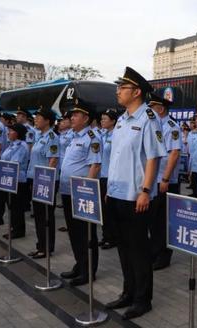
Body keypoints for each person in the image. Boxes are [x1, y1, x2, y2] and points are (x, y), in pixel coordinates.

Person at [103, 67, 166, 320]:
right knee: (123, 248)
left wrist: (146, 190)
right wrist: (109, 189)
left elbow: (153, 157)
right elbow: (117, 159)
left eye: (123, 88)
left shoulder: (148, 118)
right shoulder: (121, 119)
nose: (118, 91)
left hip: (136, 196)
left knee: (139, 250)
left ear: (136, 91)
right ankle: (128, 292)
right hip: (117, 194)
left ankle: (143, 299)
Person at [59, 98, 102, 287]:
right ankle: (79, 264)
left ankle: (88, 270)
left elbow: (95, 165)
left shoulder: (92, 138)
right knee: (74, 232)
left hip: (82, 193)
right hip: (67, 191)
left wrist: (87, 191)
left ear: (85, 118)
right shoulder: (73, 137)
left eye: (76, 114)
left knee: (86, 233)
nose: (72, 117)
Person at [148, 93, 182, 271]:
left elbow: (174, 153)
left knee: (164, 220)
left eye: (152, 107)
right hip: (153, 180)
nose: (149, 110)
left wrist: (165, 178)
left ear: (160, 109)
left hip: (165, 181)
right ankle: (154, 252)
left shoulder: (171, 126)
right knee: (154, 220)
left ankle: (163, 256)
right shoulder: (153, 125)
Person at [26, 107, 59, 258]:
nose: (35, 119)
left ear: (47, 121)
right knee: (39, 215)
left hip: (45, 180)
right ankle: (41, 245)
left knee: (45, 215)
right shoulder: (40, 136)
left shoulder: (52, 137)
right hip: (36, 178)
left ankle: (46, 247)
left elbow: (53, 160)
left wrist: (46, 181)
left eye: (39, 117)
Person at [0, 123, 30, 239]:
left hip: (18, 180)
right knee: (11, 205)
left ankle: (18, 230)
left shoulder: (21, 146)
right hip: (9, 179)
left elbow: (14, 163)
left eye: (11, 131)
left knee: (16, 206)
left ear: (17, 133)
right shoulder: (11, 144)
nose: (8, 133)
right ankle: (14, 228)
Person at [98, 108, 119, 250]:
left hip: (110, 176)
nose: (102, 121)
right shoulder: (102, 135)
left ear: (113, 121)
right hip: (101, 175)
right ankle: (105, 235)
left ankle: (113, 238)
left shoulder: (117, 136)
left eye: (105, 119)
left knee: (110, 209)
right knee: (102, 210)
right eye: (101, 119)